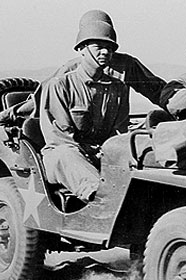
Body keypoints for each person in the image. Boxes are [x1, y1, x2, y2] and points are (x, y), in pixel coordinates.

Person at [0, 10, 165, 124]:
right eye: (96, 43)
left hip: (114, 136)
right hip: (80, 136)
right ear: (83, 45)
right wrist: (8, 114)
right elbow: (41, 100)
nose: (103, 50)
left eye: (107, 43)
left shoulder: (127, 65)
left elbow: (158, 91)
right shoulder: (70, 69)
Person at [39, 19, 127, 202]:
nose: (105, 52)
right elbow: (60, 137)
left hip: (102, 153)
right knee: (66, 154)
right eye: (98, 46)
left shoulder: (118, 88)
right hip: (65, 155)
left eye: (110, 48)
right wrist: (93, 153)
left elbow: (120, 132)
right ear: (82, 49)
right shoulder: (59, 85)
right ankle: (98, 198)